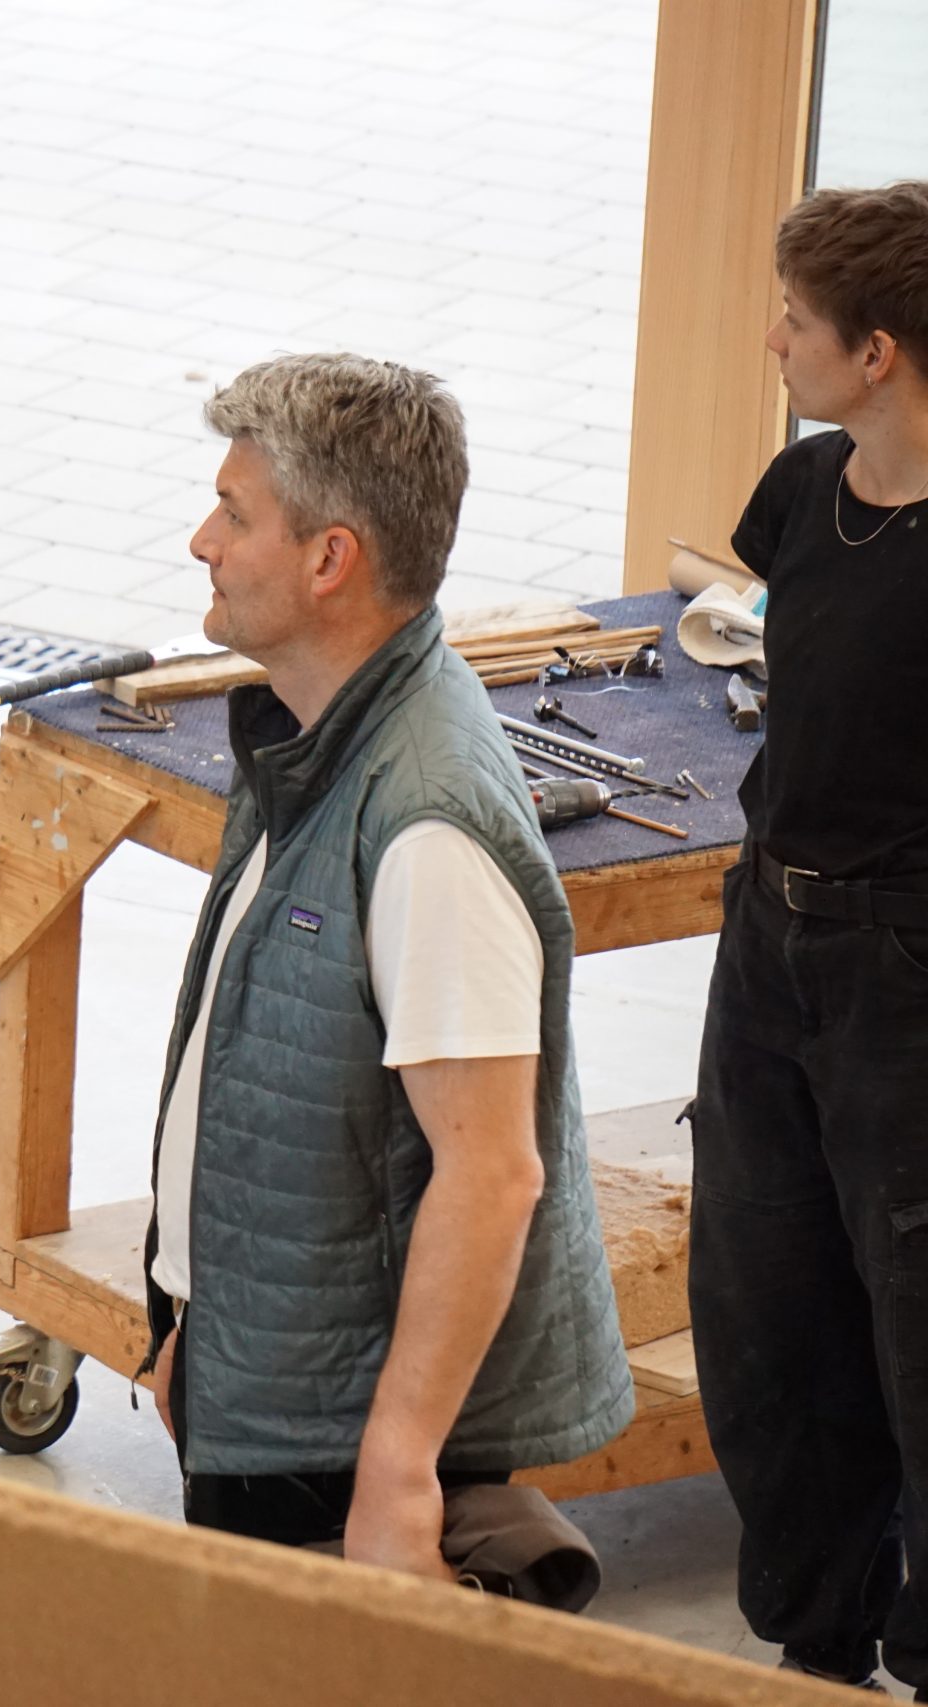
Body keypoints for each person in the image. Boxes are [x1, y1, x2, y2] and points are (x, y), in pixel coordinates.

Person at [138, 353, 633, 1574]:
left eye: (235, 513)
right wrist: (194, 1324)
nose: (202, 539)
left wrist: (398, 1470)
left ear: (329, 559)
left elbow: (490, 1171)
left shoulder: (425, 824)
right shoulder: (324, 735)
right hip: (278, 1383)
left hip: (334, 1438)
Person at [690, 182, 928, 1698]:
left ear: (883, 351)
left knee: (915, 1311)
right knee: (765, 1294)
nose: (774, 337)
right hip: (767, 936)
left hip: (906, 966)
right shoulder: (802, 489)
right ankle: (812, 1627)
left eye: (798, 320)